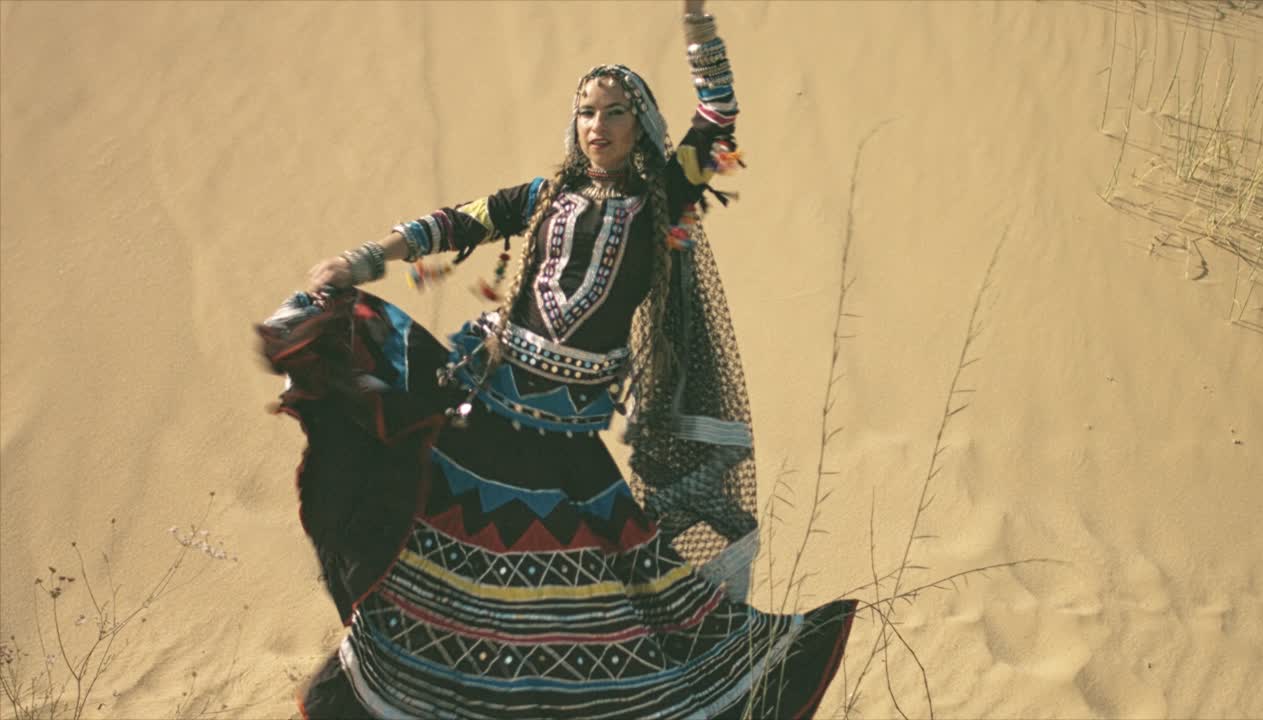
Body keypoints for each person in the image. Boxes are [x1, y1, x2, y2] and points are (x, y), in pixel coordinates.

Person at [259, 2, 856, 717]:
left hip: (565, 445)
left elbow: (720, 119)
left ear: (640, 124)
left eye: (612, 113)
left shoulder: (661, 198)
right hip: (483, 413)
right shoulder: (547, 197)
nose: (596, 127)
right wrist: (361, 261)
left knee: (629, 608)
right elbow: (453, 223)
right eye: (585, 112)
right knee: (409, 549)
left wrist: (698, 26)